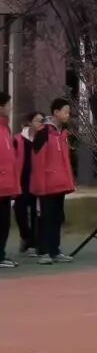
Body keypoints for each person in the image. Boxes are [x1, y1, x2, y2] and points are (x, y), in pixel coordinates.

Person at [31, 98, 75, 265]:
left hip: (60, 184)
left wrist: (68, 182)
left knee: (57, 218)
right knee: (46, 218)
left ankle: (55, 250)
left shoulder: (62, 133)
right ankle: (44, 252)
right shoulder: (44, 132)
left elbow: (65, 161)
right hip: (47, 185)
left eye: (69, 112)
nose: (68, 114)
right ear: (56, 112)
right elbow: (38, 161)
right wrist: (39, 186)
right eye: (65, 111)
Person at [14, 111, 41, 257]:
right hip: (21, 181)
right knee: (20, 211)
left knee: (36, 213)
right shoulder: (18, 139)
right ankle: (25, 236)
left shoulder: (42, 139)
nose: (40, 124)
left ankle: (33, 244)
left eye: (42, 121)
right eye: (37, 121)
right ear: (30, 122)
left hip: (37, 181)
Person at [0, 93, 22, 269]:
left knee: (5, 223)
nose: (11, 107)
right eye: (8, 104)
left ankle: (1, 254)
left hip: (6, 185)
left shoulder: (5, 128)